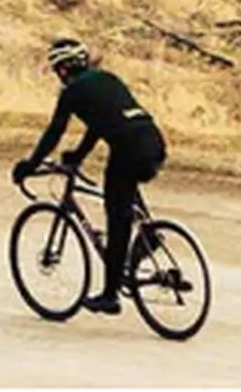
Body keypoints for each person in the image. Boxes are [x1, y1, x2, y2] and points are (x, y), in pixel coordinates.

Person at [16, 36, 165, 315]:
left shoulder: (72, 92)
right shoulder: (107, 78)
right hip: (153, 141)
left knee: (117, 217)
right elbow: (100, 124)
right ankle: (149, 233)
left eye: (56, 69)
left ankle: (110, 296)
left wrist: (30, 164)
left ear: (63, 69)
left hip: (128, 148)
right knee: (125, 191)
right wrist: (77, 156)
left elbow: (54, 131)